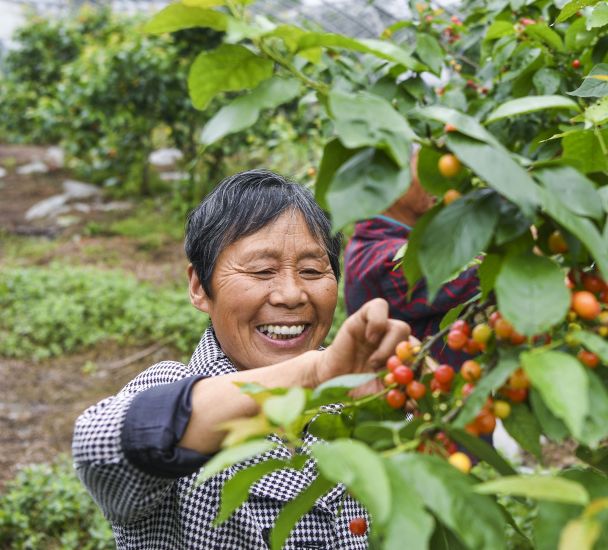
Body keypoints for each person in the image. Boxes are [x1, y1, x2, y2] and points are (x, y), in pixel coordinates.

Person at [73, 169, 410, 549]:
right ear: (200, 287)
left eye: (312, 270)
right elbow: (99, 448)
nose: (291, 294)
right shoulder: (170, 386)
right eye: (262, 270)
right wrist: (311, 372)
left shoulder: (363, 397)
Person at [343, 149, 479, 361]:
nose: (437, 179)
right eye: (424, 170)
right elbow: (476, 276)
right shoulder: (383, 259)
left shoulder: (377, 242)